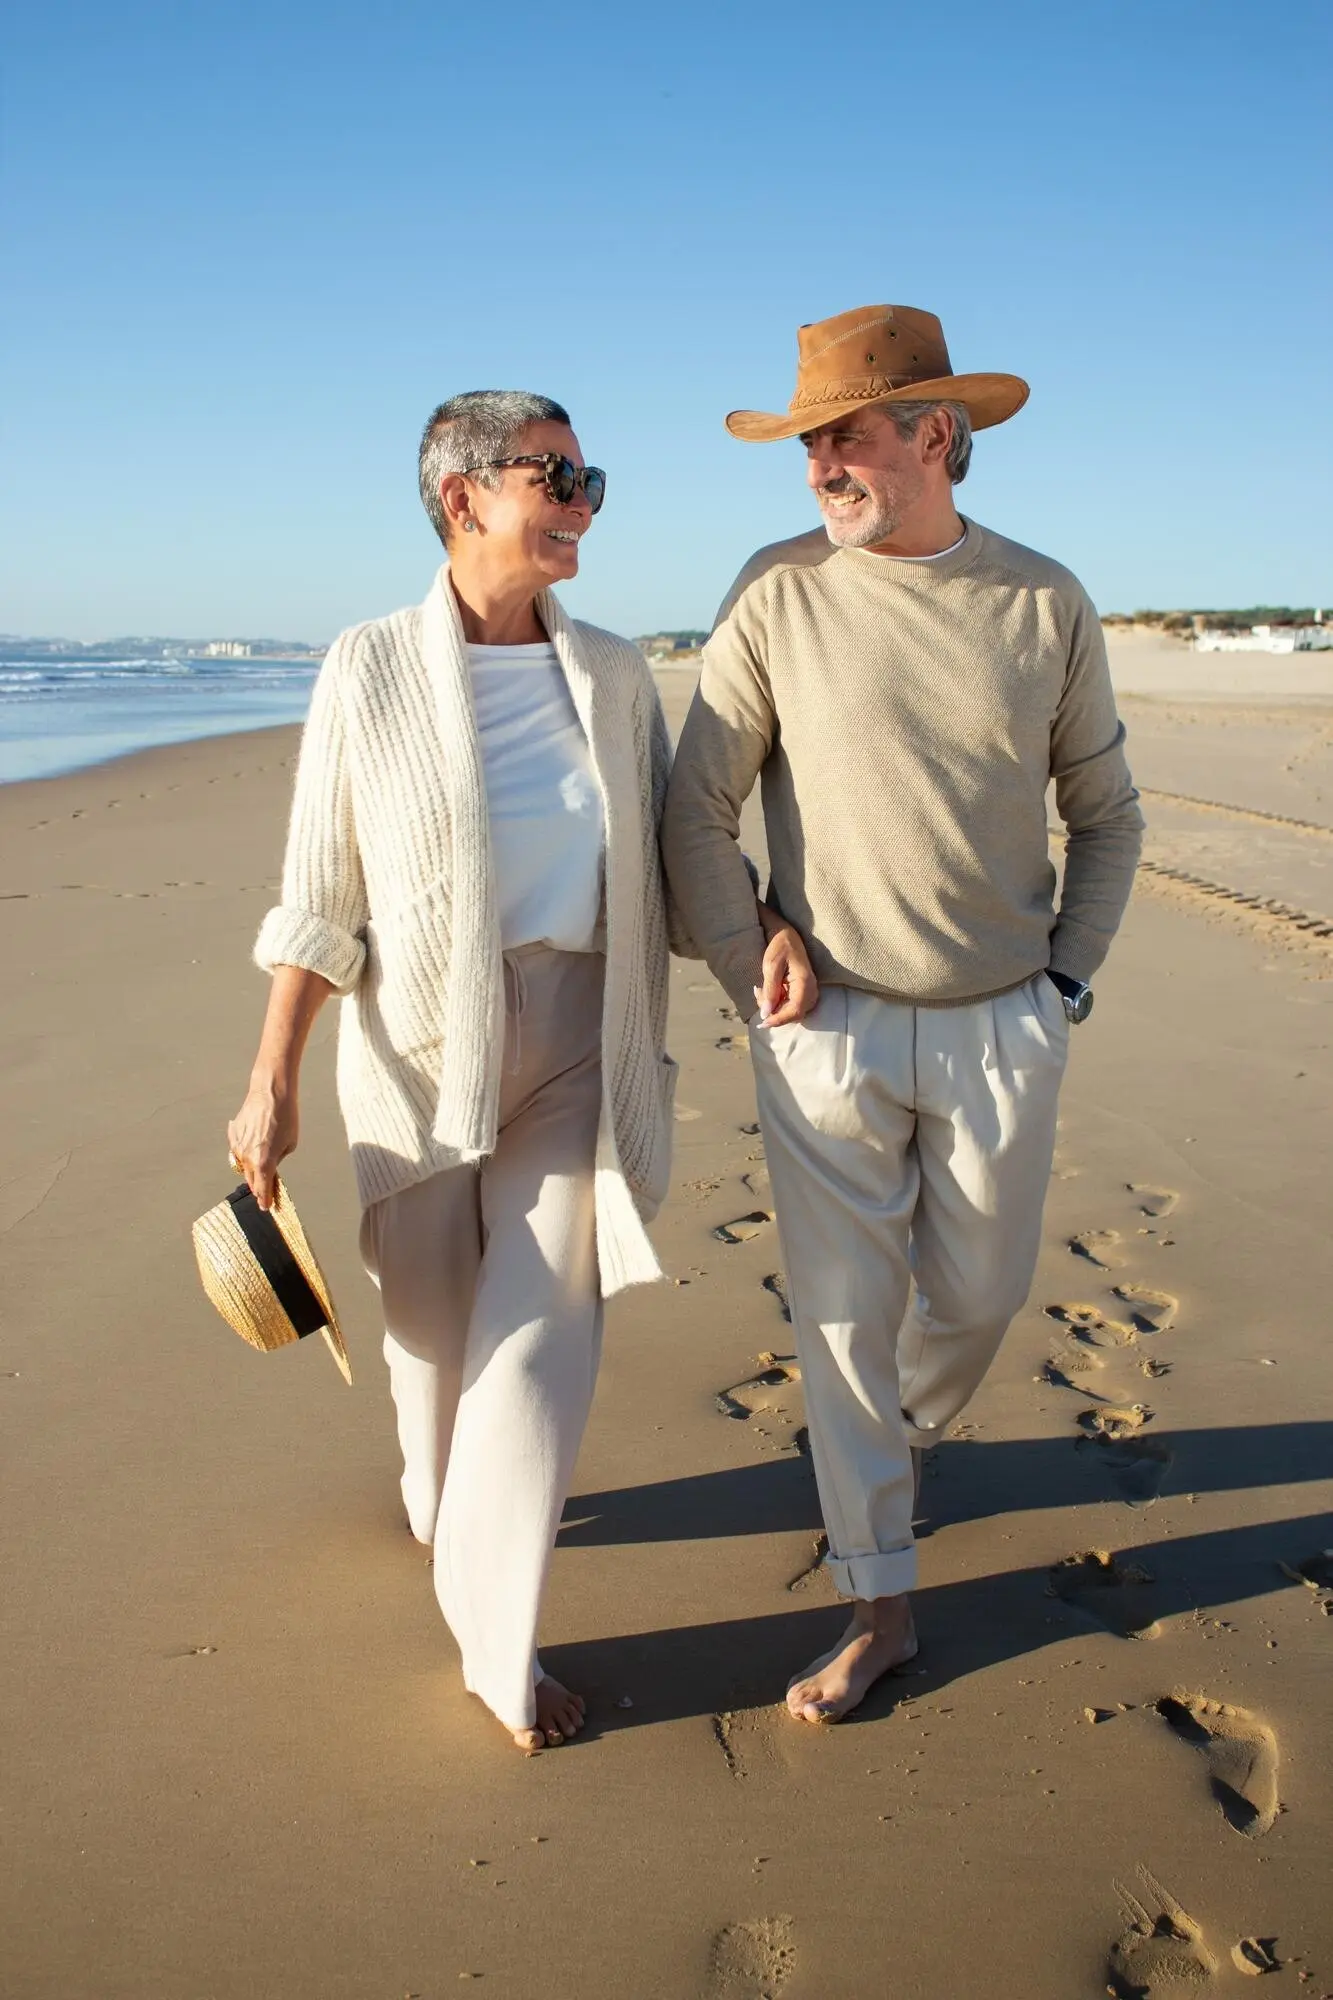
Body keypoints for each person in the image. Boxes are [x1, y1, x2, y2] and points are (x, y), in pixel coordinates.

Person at [662, 304, 1144, 1723]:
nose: (821, 464)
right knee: (843, 1327)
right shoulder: (776, 590)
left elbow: (1107, 815)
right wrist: (748, 943)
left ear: (938, 436)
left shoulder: (1044, 601)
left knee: (984, 1296)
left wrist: (1065, 981)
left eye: (846, 433)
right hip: (830, 1032)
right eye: (809, 440)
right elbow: (698, 803)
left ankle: (911, 1436)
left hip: (1006, 1017)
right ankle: (882, 1600)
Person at [228, 391, 687, 1753]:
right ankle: (442, 1508)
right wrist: (273, 1079)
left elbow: (676, 857)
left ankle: (500, 1643)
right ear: (462, 493)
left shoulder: (613, 672)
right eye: (556, 476)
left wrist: (775, 935)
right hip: (417, 1054)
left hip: (580, 1037)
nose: (583, 503)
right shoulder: (367, 667)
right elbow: (318, 895)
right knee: (430, 1353)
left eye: (591, 478)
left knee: (545, 1326)